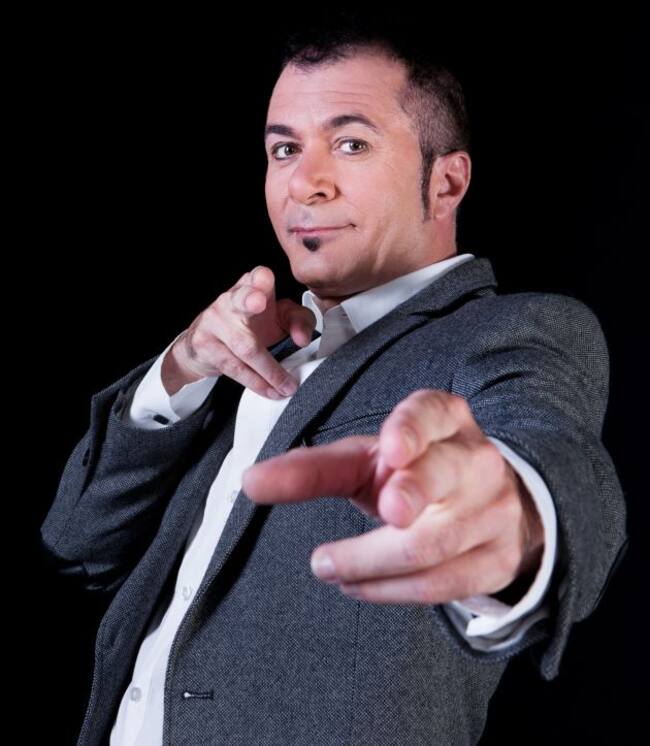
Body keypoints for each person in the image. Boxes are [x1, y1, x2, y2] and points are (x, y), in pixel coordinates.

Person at [40, 18, 628, 746]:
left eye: (351, 144)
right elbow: (78, 541)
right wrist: (183, 368)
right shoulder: (244, 356)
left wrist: (521, 520)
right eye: (284, 149)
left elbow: (549, 453)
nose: (303, 183)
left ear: (446, 182)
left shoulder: (515, 333)